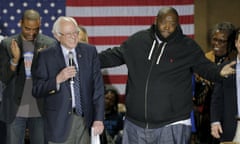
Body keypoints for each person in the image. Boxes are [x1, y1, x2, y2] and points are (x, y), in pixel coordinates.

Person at [98, 7, 236, 144]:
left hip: (172, 125)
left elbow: (205, 66)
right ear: (156, 20)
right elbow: (114, 55)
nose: (167, 27)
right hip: (135, 125)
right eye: (164, 22)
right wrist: (86, 61)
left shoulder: (187, 46)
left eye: (172, 24)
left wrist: (219, 72)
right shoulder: (138, 41)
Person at [31, 16, 105, 144]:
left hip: (85, 122)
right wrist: (57, 80)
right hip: (59, 124)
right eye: (68, 34)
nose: (73, 37)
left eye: (75, 32)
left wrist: (98, 119)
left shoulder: (89, 52)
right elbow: (37, 90)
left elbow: (98, 88)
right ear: (57, 36)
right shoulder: (45, 56)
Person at [0, 9, 56, 144]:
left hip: (40, 107)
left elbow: (52, 78)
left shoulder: (50, 44)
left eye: (35, 29)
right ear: (20, 23)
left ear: (40, 24)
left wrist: (43, 61)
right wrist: (15, 59)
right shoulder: (7, 44)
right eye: (27, 29)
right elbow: (4, 77)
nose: (31, 33)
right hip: (15, 107)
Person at [194, 22, 236, 143]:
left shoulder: (232, 63)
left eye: (222, 41)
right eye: (214, 39)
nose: (216, 44)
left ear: (230, 43)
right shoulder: (204, 60)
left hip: (227, 118)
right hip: (205, 118)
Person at [210, 28, 240, 143]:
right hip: (230, 126)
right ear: (236, 43)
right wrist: (215, 121)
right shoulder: (226, 68)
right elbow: (216, 98)